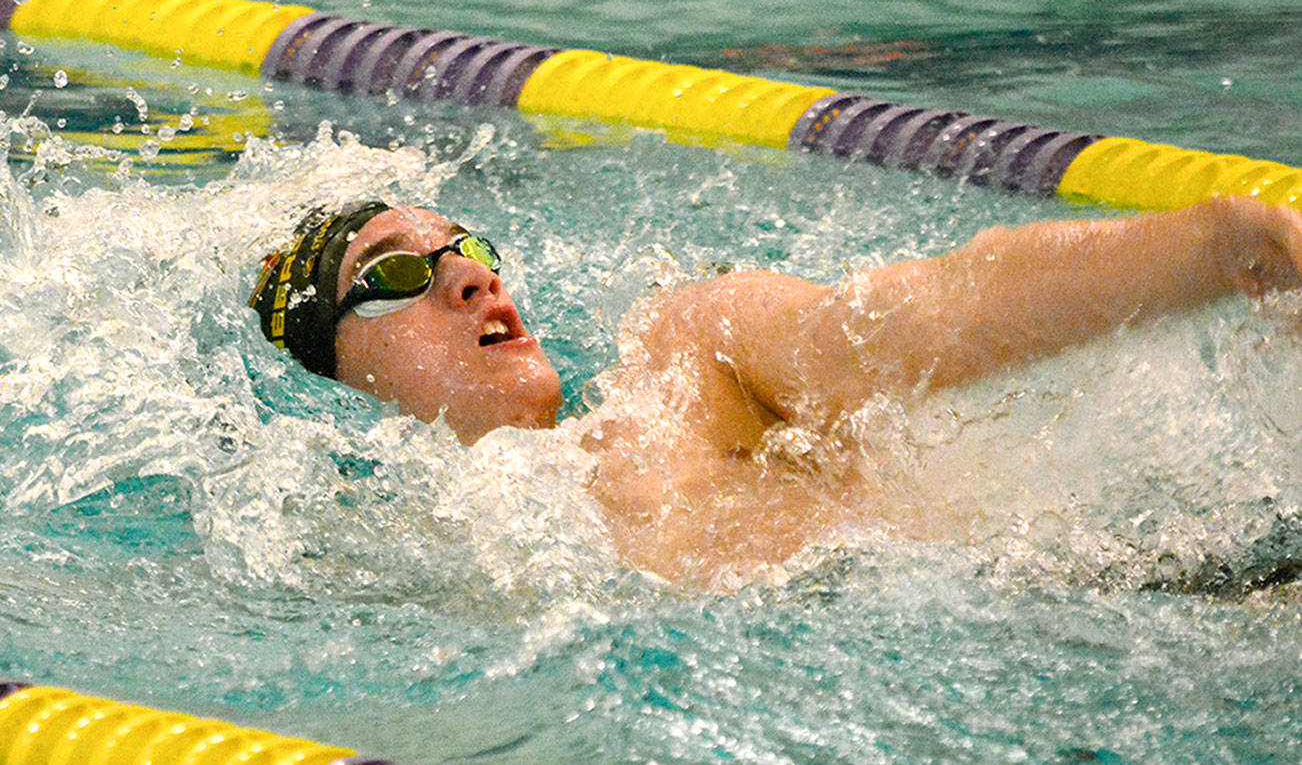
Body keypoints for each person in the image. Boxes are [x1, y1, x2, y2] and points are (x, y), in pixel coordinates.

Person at [249, 196, 1302, 585]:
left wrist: (1215, 248)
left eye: (470, 244)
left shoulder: (685, 364)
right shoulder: (370, 565)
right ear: (334, 376)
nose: (473, 273)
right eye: (393, 272)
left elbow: (914, 325)